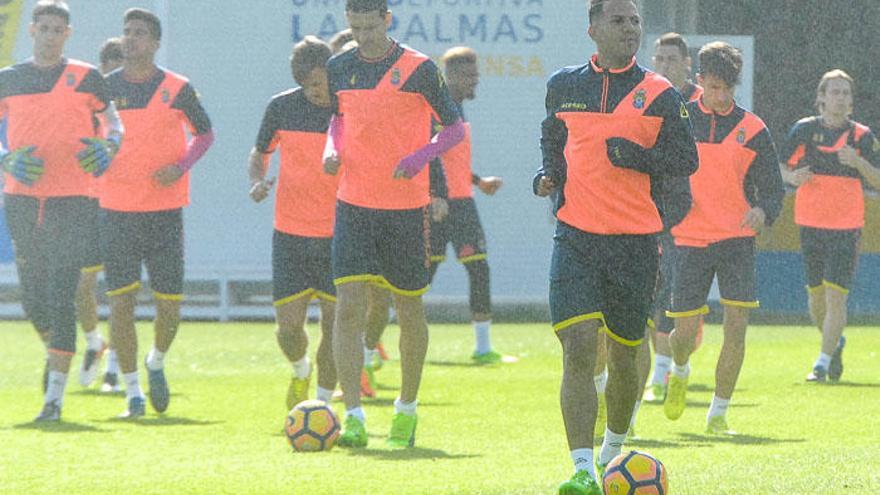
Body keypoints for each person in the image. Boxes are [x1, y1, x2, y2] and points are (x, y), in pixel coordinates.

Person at [535, 1, 698, 492]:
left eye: (634, 22)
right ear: (593, 30)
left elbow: (685, 158)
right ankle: (582, 469)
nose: (629, 29)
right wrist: (548, 174)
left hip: (635, 244)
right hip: (576, 236)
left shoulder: (660, 93)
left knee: (626, 358)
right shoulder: (564, 84)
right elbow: (552, 136)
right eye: (618, 21)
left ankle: (612, 449)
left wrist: (638, 157)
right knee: (579, 346)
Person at [323, 0, 465, 448]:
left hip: (405, 208)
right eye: (355, 27)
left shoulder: (420, 68)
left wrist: (418, 157)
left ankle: (407, 408)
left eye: (371, 26)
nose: (363, 36)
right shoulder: (338, 67)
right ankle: (354, 415)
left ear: (388, 20)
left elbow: (454, 130)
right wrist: (333, 148)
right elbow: (339, 120)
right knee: (349, 304)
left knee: (408, 308)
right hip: (353, 203)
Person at [0, 1, 122, 421]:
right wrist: (5, 158)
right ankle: (64, 352)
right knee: (33, 300)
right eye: (44, 28)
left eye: (58, 30)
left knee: (62, 291)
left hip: (74, 198)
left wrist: (108, 148)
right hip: (21, 197)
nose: (51, 35)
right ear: (32, 30)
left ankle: (53, 400)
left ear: (67, 34)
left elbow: (114, 125)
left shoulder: (87, 77)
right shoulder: (9, 80)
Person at [663, 41, 784, 435]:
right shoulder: (679, 121)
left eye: (727, 89)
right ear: (699, 81)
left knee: (736, 326)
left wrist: (762, 211)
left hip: (736, 240)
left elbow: (772, 189)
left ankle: (718, 414)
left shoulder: (753, 130)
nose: (720, 96)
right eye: (713, 87)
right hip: (688, 239)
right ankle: (680, 369)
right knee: (681, 336)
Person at [101, 8, 214, 418]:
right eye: (126, 31)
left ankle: (156, 362)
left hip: (164, 212)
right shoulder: (104, 89)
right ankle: (132, 392)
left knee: (169, 304)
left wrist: (181, 166)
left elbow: (206, 134)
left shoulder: (177, 87)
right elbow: (90, 137)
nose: (131, 39)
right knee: (121, 305)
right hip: (115, 210)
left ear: (155, 42)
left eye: (140, 33)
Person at [248, 36, 338, 409]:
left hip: (338, 233)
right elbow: (260, 153)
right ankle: (301, 370)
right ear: (300, 82)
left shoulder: (348, 110)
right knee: (288, 331)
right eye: (312, 85)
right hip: (290, 234)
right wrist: (256, 180)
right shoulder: (281, 108)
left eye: (324, 82)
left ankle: (321, 405)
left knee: (334, 330)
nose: (320, 92)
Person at [779, 69, 880, 383]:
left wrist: (858, 162)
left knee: (837, 296)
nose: (841, 98)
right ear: (821, 97)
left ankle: (821, 363)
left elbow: (877, 179)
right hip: (810, 222)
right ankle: (834, 343)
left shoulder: (862, 137)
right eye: (834, 92)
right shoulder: (804, 131)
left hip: (846, 225)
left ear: (851, 101)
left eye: (846, 93)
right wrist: (793, 178)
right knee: (816, 298)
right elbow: (780, 167)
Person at [642, 31, 705, 406]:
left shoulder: (701, 105)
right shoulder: (646, 97)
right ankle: (663, 369)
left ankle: (665, 369)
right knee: (653, 293)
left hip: (693, 215)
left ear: (687, 65)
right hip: (651, 210)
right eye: (659, 58)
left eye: (671, 59)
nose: (663, 65)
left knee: (673, 296)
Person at [78, 36, 125, 393]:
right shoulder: (87, 103)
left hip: (125, 204)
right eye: (110, 68)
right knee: (83, 287)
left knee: (119, 291)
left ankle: (113, 368)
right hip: (90, 202)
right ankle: (95, 341)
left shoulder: (136, 104)